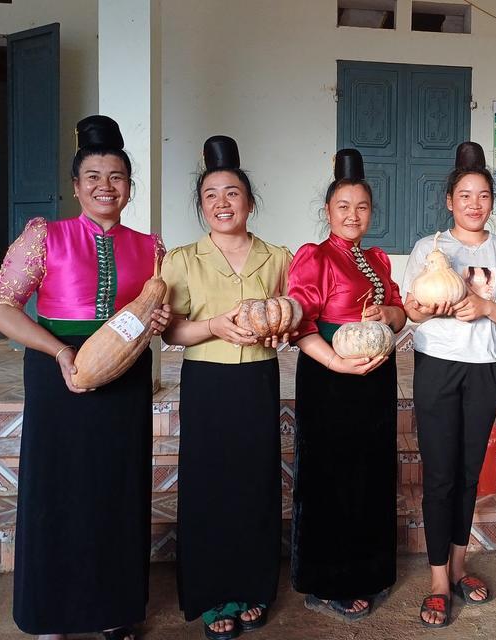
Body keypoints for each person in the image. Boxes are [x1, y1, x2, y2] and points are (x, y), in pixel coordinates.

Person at [0, 115, 168, 640]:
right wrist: (60, 352)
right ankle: (51, 615)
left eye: (116, 177)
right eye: (93, 176)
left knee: (119, 489)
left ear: (129, 189)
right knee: (56, 491)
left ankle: (116, 610)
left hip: (126, 376)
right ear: (76, 186)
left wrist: (157, 323)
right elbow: (0, 308)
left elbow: (158, 313)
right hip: (54, 373)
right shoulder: (45, 236)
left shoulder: (150, 246)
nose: (104, 186)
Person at [161, 136, 292, 639]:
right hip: (208, 383)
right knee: (209, 485)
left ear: (250, 202)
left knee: (256, 483)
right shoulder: (182, 260)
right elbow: (172, 331)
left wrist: (281, 328)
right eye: (211, 195)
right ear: (201, 206)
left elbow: (289, 314)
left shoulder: (276, 257)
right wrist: (213, 325)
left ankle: (251, 586)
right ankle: (213, 593)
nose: (222, 203)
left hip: (258, 378)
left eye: (232, 193)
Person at [403, 142, 496, 628]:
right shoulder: (429, 248)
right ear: (449, 201)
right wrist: (422, 309)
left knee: (468, 473)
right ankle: (438, 581)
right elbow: (412, 309)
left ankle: (459, 567)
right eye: (464, 195)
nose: (474, 204)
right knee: (439, 475)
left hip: (485, 369)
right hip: (437, 365)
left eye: (482, 196)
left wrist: (484, 309)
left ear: (491, 202)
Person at [287, 148, 407, 622]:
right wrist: (335, 363)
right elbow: (300, 323)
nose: (353, 215)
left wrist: (388, 314)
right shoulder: (313, 257)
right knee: (330, 476)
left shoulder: (377, 259)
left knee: (370, 474)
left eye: (361, 207)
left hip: (375, 379)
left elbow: (399, 313)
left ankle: (368, 571)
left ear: (371, 212)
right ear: (328, 212)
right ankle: (327, 581)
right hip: (329, 378)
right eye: (343, 207)